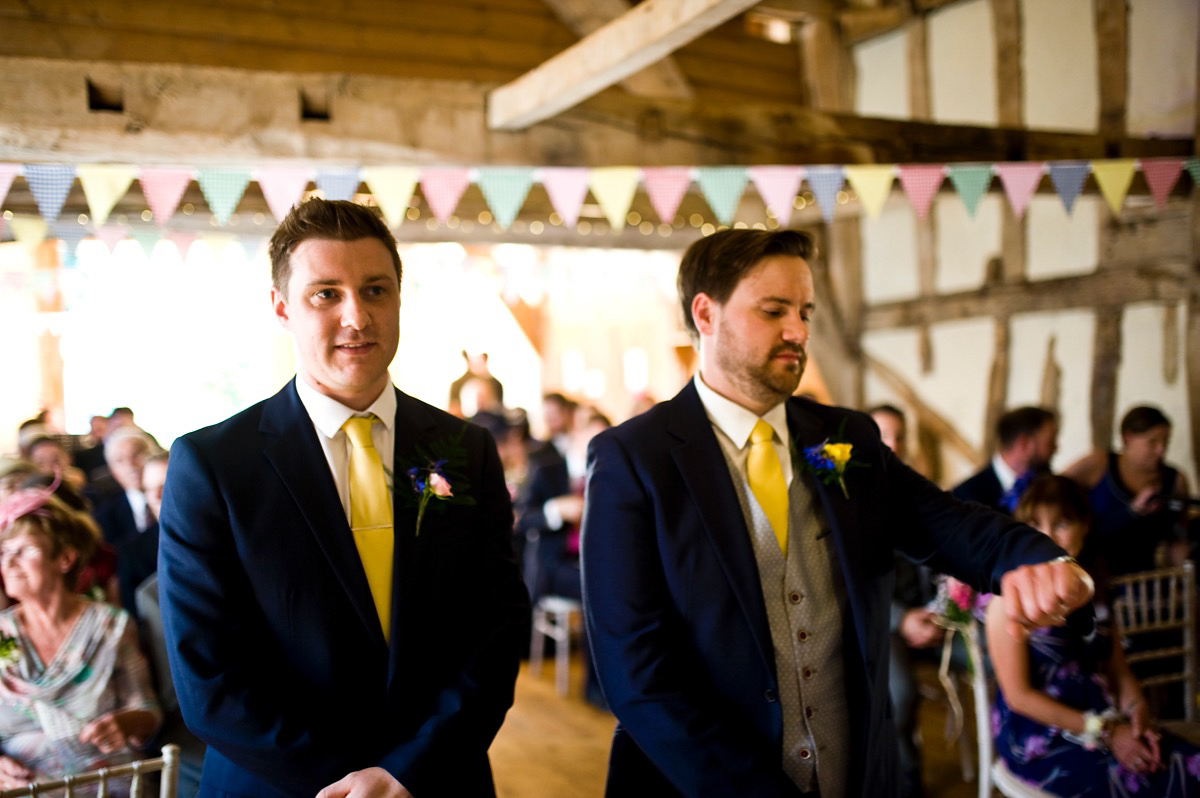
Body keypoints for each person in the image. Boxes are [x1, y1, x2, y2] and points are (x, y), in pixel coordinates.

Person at [581, 228, 1094, 798]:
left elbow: (945, 521)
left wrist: (1040, 558)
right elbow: (638, 678)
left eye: (805, 311)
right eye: (773, 310)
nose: (798, 331)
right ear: (706, 313)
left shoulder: (842, 439)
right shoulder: (634, 459)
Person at [158, 198, 529, 798]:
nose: (356, 316)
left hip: (436, 777)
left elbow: (496, 626)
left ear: (399, 300)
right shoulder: (214, 465)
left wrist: (407, 771)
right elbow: (208, 672)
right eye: (325, 294)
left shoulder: (464, 449)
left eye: (375, 290)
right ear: (283, 308)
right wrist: (342, 783)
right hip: (280, 784)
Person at [987, 474, 1200, 796]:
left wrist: (1137, 710)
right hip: (1041, 734)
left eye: (1060, 524)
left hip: (1100, 713)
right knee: (1143, 782)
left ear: (1084, 526)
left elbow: (1118, 668)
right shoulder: (1008, 600)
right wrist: (1108, 732)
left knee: (1188, 765)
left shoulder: (1095, 588)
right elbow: (1018, 696)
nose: (1045, 536)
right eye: (1035, 524)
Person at [0, 483, 161, 787]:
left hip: (107, 784)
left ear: (65, 559)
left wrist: (126, 723)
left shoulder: (109, 625)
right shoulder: (1, 633)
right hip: (21, 788)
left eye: (24, 551)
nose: (8, 563)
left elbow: (148, 709)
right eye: (4, 552)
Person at [870, 404, 938, 798]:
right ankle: (907, 786)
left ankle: (1011, 756)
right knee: (899, 693)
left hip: (930, 614)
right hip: (884, 619)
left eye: (899, 435)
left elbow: (939, 559)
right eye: (882, 435)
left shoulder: (917, 488)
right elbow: (851, 581)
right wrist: (902, 619)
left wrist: (943, 610)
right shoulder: (846, 496)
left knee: (991, 652)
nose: (892, 444)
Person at [1064, 405, 1192, 579]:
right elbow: (1050, 493)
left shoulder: (1175, 480)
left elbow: (1178, 539)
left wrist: (1185, 577)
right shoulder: (1098, 465)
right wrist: (1131, 512)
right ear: (1128, 438)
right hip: (1095, 577)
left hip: (1147, 581)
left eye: (1166, 442)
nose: (1161, 450)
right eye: (1152, 442)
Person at [952, 406, 1058, 514]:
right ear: (1025, 444)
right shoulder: (966, 496)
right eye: (1050, 442)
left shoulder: (1047, 482)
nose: (1056, 448)